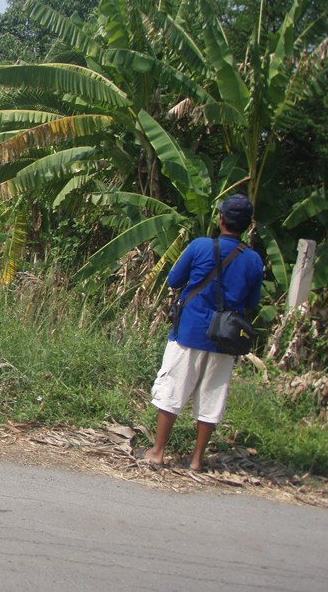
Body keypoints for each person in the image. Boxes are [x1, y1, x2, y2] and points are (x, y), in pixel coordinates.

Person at [138, 194, 264, 471]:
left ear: (221, 220)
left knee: (173, 391)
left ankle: (157, 452)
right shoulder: (254, 260)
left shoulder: (200, 246)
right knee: (211, 398)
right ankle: (196, 460)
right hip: (225, 339)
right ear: (246, 226)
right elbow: (252, 303)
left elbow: (174, 280)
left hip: (190, 331)